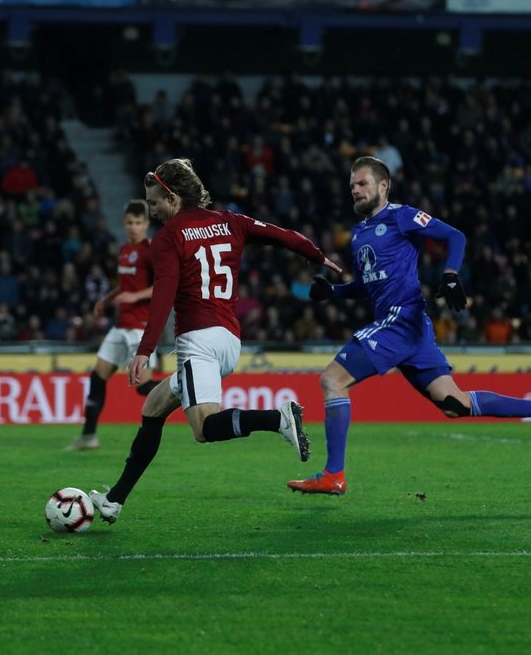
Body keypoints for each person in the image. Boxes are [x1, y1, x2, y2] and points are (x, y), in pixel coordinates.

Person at [287, 156, 531, 496]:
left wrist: (451, 274)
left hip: (402, 318)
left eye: (362, 183)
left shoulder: (401, 216)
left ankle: (333, 474)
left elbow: (455, 236)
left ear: (383, 186)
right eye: (352, 185)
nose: (355, 190)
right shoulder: (358, 233)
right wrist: (333, 293)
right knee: (453, 404)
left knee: (332, 380)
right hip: (409, 327)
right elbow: (368, 286)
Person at [88, 158, 342, 524]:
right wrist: (317, 256)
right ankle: (114, 500)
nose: (153, 210)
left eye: (155, 202)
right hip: (228, 339)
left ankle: (276, 419)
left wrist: (144, 350)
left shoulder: (169, 238)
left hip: (197, 341)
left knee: (204, 429)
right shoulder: (230, 221)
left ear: (172, 197)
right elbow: (281, 234)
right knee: (153, 409)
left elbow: (163, 296)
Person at [67, 199, 159, 451]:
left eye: (138, 223)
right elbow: (125, 285)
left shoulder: (151, 250)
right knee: (97, 377)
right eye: (130, 222)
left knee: (143, 389)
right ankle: (88, 437)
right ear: (124, 223)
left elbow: (163, 285)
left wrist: (136, 296)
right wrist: (107, 299)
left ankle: (184, 387)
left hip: (140, 326)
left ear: (146, 224)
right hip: (120, 326)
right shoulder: (123, 250)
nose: (133, 227)